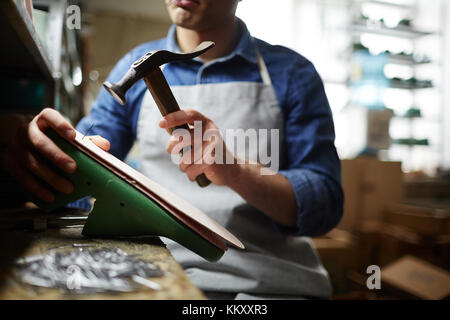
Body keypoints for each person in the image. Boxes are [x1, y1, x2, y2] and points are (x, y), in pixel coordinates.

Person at [4, 0, 343, 299]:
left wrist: (235, 170)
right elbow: (85, 177)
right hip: (162, 268)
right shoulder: (131, 66)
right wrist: (47, 161)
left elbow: (324, 206)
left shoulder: (293, 74)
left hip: (272, 283)